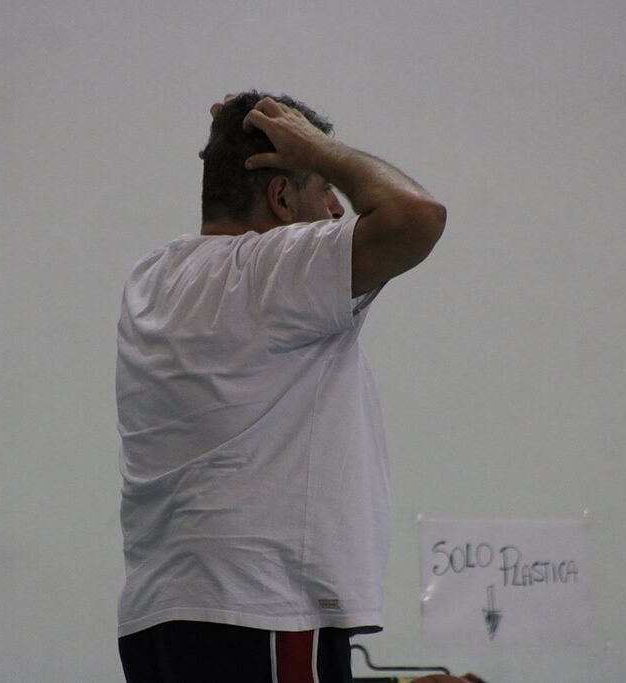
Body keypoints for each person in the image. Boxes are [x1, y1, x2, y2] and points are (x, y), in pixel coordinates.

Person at [115, 91, 447, 683]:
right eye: (326, 190)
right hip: (266, 608)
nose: (338, 210)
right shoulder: (273, 270)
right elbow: (416, 216)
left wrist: (232, 141)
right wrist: (320, 150)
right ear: (281, 197)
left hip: (160, 619)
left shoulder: (153, 280)